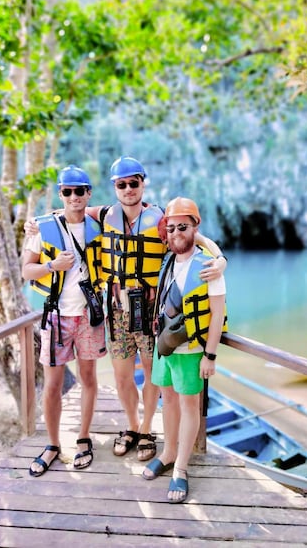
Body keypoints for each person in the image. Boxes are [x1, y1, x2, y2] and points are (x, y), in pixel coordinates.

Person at [81, 156, 227, 462]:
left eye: (134, 182)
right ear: (115, 188)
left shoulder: (162, 219)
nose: (129, 189)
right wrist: (35, 225)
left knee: (152, 375)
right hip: (117, 308)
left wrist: (220, 257)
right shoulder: (105, 214)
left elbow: (194, 238)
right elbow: (71, 211)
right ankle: (132, 426)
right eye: (122, 184)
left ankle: (148, 429)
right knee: (122, 377)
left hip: (149, 309)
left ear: (143, 183)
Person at [22, 165, 106, 476]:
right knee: (53, 385)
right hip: (56, 315)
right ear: (61, 194)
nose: (74, 196)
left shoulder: (98, 226)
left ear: (88, 193)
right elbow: (26, 271)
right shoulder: (43, 229)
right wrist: (52, 266)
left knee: (88, 379)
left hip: (89, 316)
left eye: (80, 191)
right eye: (67, 191)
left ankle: (83, 438)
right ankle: (53, 444)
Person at [142, 197, 227, 503]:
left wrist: (210, 355)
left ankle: (181, 467)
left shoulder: (208, 266)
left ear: (195, 228)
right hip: (165, 344)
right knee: (168, 400)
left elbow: (217, 314)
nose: (177, 232)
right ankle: (167, 452)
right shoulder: (169, 259)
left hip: (191, 349)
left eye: (184, 226)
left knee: (190, 406)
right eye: (172, 226)